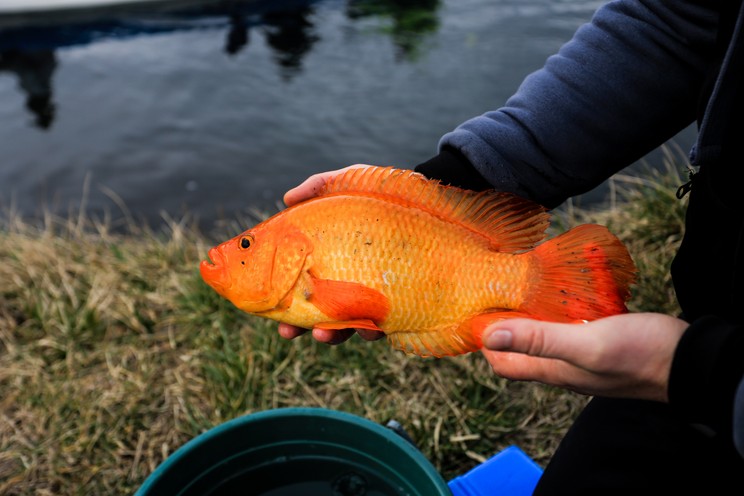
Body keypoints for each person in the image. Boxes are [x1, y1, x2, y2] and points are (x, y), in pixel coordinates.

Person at [279, 0, 744, 492]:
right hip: (710, 343)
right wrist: (465, 181)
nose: (232, 251)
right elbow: (675, 22)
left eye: (246, 244)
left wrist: (698, 372)